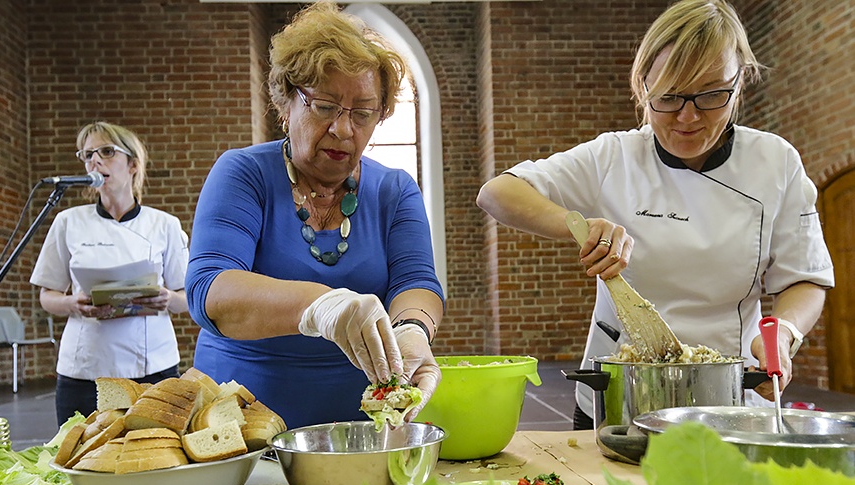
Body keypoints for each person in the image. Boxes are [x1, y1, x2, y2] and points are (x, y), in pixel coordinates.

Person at [476, 0, 834, 430]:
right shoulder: (616, 157)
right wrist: (581, 227)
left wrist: (785, 335)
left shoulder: (774, 162)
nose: (688, 117)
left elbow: (805, 278)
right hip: (619, 395)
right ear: (643, 85)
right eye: (667, 97)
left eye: (711, 96)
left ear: (739, 83)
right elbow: (497, 193)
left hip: (729, 395)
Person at [185, 3, 444, 430]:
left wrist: (412, 329)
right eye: (325, 107)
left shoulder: (395, 190)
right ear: (287, 103)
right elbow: (210, 289)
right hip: (239, 427)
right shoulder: (243, 174)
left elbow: (416, 281)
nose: (344, 130)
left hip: (360, 428)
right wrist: (319, 306)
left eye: (363, 114)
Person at [30, 122, 190, 425]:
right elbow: (47, 295)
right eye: (88, 154)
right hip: (85, 368)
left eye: (106, 151)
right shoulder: (68, 222)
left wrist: (167, 298)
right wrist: (72, 303)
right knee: (78, 455)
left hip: (152, 368)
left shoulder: (164, 225)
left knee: (153, 455)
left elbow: (188, 298)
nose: (95, 161)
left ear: (132, 164)